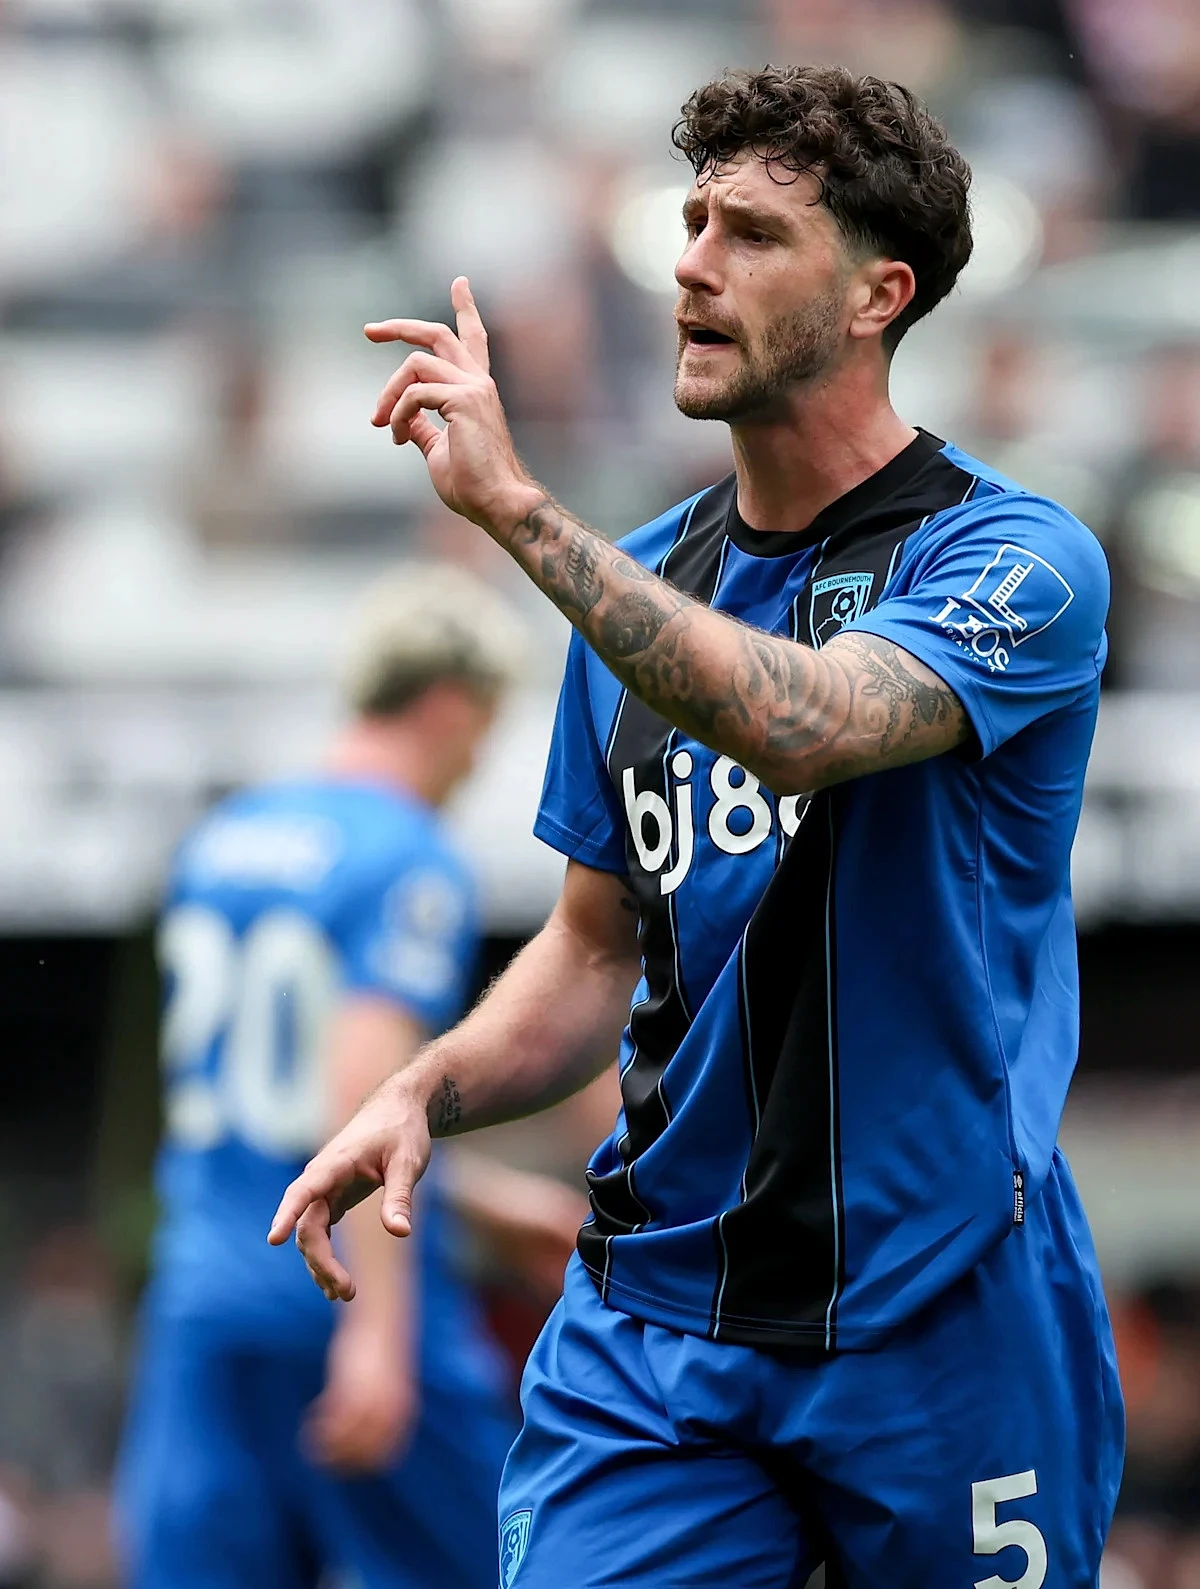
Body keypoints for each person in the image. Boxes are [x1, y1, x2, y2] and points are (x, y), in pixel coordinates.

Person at [270, 66, 1125, 1587]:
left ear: (878, 295)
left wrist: (522, 514)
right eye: (691, 222)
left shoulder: (1016, 557)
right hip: (661, 1327)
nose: (691, 265)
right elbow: (595, 950)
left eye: (752, 234)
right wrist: (424, 1086)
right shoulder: (638, 589)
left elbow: (806, 719)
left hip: (942, 1307)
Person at [117, 564, 587, 1589]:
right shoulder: (404, 856)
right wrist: (377, 1333)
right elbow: (365, 1093)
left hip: (205, 1296)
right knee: (513, 1570)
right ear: (452, 704)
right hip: (333, 1290)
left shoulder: (221, 841)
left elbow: (266, 1108)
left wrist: (477, 1206)